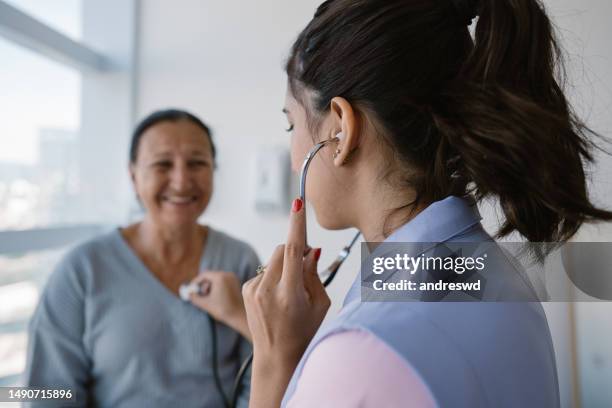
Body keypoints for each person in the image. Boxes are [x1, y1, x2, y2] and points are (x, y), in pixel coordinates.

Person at [200, 0, 612, 407]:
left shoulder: (360, 355)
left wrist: (275, 363)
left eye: (292, 124)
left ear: (341, 130)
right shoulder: (491, 270)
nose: (292, 158)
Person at [24, 109, 259, 407]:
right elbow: (43, 391)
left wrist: (239, 315)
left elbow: (262, 377)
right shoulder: (81, 269)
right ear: (133, 176)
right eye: (162, 164)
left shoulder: (240, 260)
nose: (181, 180)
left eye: (197, 163)